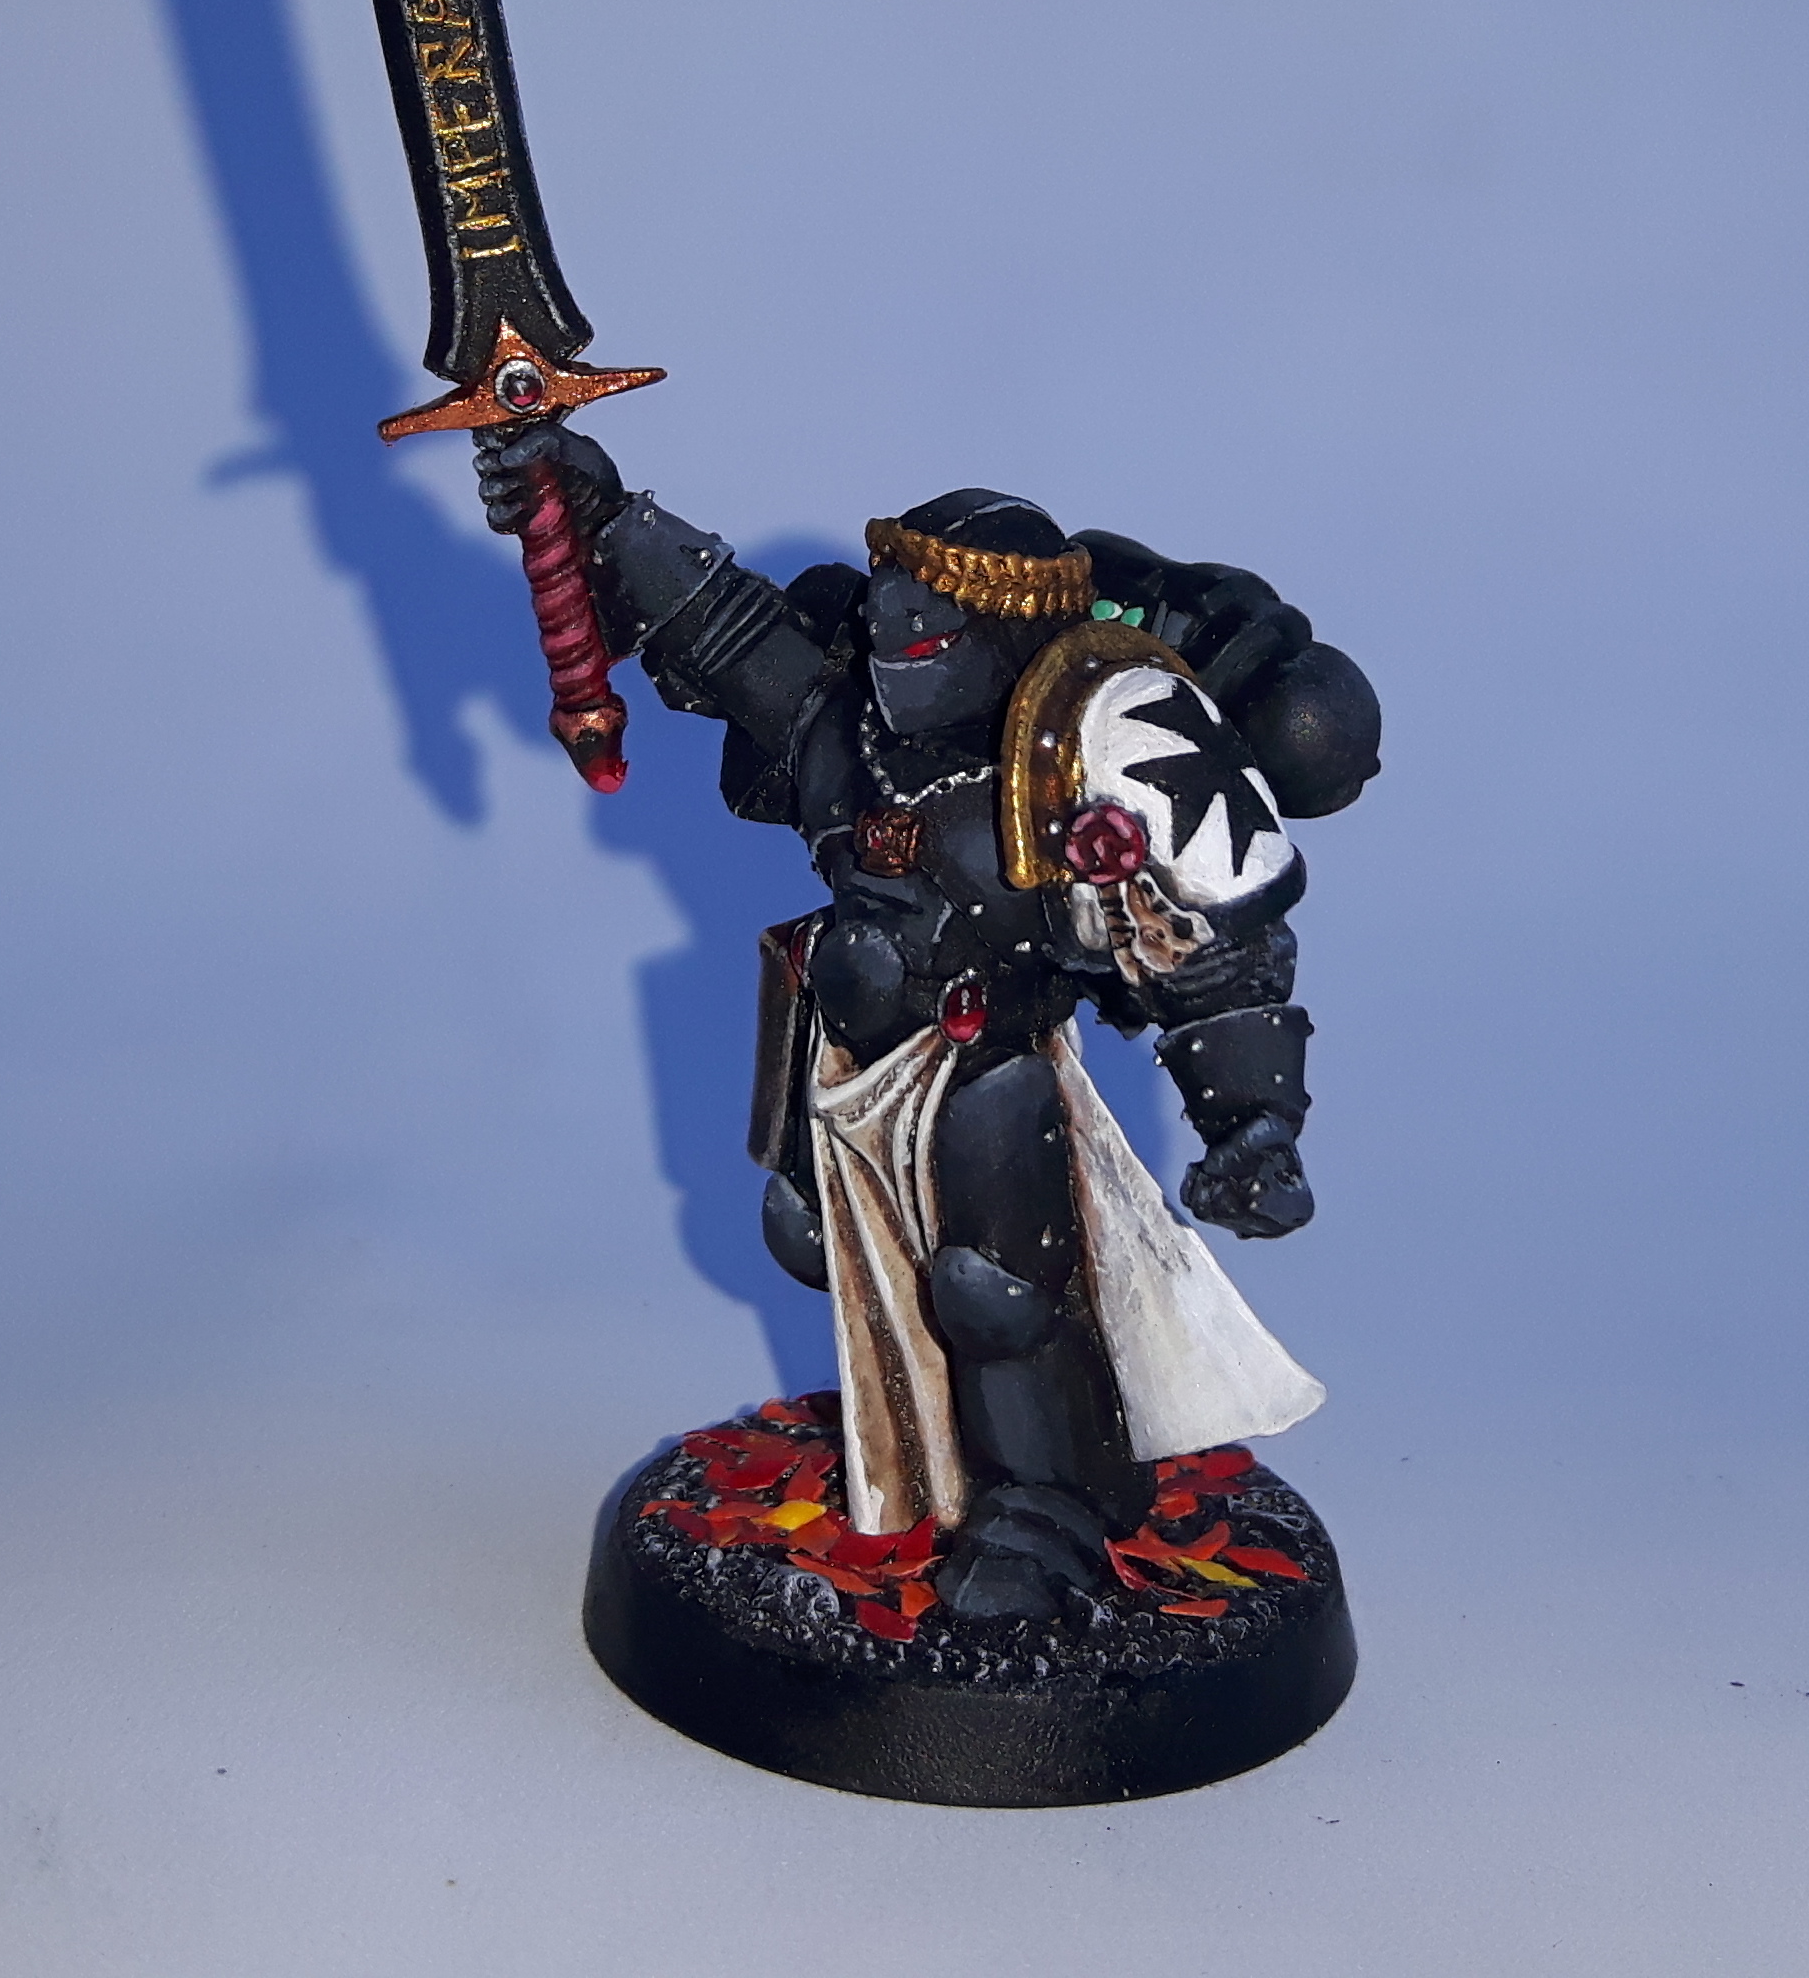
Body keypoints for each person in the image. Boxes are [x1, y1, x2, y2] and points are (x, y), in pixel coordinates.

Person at [478, 424, 1382, 1620]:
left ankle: (1045, 1510)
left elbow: (1211, 953)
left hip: (985, 1062)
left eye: (937, 612)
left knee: (995, 1292)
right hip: (846, 1060)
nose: (902, 627)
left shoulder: (1074, 764)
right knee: (819, 1247)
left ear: (1006, 629)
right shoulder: (843, 727)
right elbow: (720, 627)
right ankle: (923, 1457)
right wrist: (600, 513)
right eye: (895, 596)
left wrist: (1254, 1126)